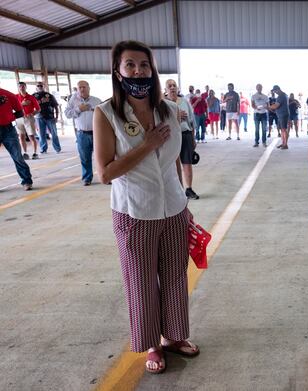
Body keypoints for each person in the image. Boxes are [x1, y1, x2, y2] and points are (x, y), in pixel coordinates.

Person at [93, 40, 199, 375]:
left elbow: (170, 165)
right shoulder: (106, 113)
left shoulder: (167, 109)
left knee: (174, 277)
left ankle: (175, 337)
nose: (138, 71)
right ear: (117, 70)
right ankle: (153, 342)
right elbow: (105, 172)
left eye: (144, 65)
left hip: (173, 209)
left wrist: (183, 204)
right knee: (141, 282)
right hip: (134, 211)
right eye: (130, 65)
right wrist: (148, 144)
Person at [165, 79, 200, 200]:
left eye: (174, 85)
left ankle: (189, 189)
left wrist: (193, 138)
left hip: (185, 135)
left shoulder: (185, 102)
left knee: (187, 163)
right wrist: (176, 116)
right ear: (165, 90)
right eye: (169, 86)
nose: (172, 87)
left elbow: (191, 121)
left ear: (178, 88)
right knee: (171, 165)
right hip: (169, 137)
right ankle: (176, 190)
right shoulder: (162, 104)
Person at [64, 80, 102, 186]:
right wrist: (78, 109)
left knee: (102, 156)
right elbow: (67, 114)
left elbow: (105, 114)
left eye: (84, 87)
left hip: (97, 133)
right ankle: (87, 178)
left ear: (89, 88)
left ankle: (105, 177)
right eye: (80, 87)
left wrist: (95, 111)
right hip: (82, 134)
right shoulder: (73, 101)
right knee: (85, 158)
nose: (82, 89)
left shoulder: (97, 101)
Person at [0, 83, 33, 190]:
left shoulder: (8, 95)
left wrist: (9, 117)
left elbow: (19, 112)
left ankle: (26, 181)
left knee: (17, 156)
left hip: (8, 129)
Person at [33, 82, 61, 154]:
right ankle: (43, 149)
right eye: (38, 85)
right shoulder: (33, 96)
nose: (40, 87)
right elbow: (29, 107)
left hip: (50, 117)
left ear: (44, 86)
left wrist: (57, 116)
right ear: (36, 87)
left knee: (54, 134)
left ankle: (57, 148)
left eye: (41, 85)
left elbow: (55, 106)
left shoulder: (49, 95)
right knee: (41, 134)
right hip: (39, 117)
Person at [15, 82, 40, 160]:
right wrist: (22, 104)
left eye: (23, 86)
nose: (21, 88)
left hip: (28, 118)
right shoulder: (15, 97)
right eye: (20, 86)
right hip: (18, 118)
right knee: (21, 136)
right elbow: (13, 108)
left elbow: (38, 109)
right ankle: (25, 153)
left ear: (26, 87)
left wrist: (32, 114)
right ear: (18, 88)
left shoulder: (31, 97)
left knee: (31, 136)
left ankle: (35, 153)